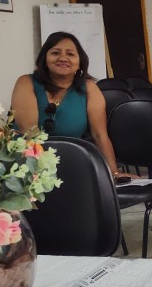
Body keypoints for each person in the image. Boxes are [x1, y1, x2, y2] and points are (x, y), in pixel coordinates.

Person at [10, 32, 137, 181]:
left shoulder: (89, 88)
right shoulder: (26, 82)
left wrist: (114, 173)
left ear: (79, 63)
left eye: (70, 54)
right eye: (55, 53)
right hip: (26, 162)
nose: (63, 58)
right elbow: (29, 133)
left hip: (70, 160)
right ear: (45, 59)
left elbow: (100, 135)